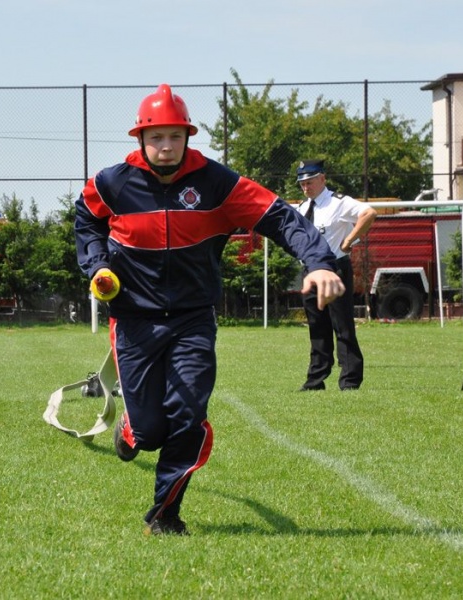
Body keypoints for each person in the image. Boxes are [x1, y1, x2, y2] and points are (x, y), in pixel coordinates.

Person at [74, 84, 344, 535]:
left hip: (192, 322)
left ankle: (166, 514)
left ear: (187, 137)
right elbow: (86, 219)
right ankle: (131, 431)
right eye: (156, 137)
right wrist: (97, 264)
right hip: (134, 322)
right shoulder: (111, 183)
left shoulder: (218, 183)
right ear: (140, 139)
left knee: (187, 416)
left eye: (174, 137)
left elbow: (279, 216)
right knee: (149, 432)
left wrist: (317, 261)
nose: (165, 147)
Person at [295, 159, 376, 392]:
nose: (306, 187)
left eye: (309, 182)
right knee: (316, 327)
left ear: (322, 179)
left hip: (334, 269)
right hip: (311, 272)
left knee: (342, 326)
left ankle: (350, 380)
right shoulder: (302, 208)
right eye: (302, 183)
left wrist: (350, 240)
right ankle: (316, 379)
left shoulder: (338, 203)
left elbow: (369, 213)